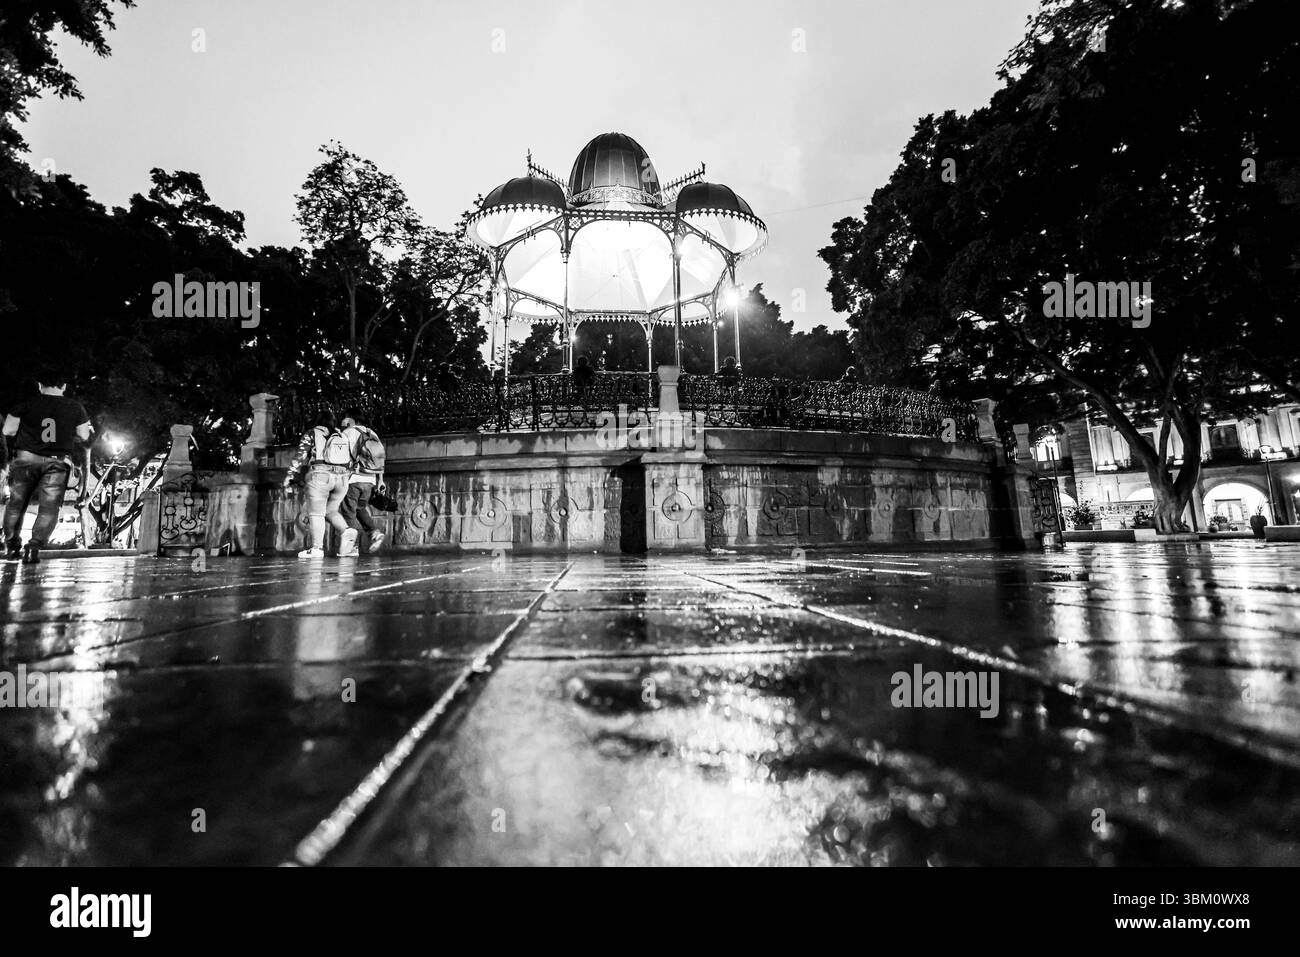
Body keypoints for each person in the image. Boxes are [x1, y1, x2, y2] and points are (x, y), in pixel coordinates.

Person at [1, 371, 93, 564]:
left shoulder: (27, 403)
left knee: (16, 503)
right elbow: (85, 435)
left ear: (40, 384)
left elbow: (8, 430)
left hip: (26, 458)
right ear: (64, 386)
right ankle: (34, 546)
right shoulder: (76, 408)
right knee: (49, 508)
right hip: (57, 461)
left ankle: (12, 545)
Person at [283, 409, 357, 559]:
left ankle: (317, 548)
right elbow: (352, 459)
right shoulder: (341, 435)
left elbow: (300, 455)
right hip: (342, 479)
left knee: (316, 513)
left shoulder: (312, 433)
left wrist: (290, 475)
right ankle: (346, 530)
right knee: (330, 510)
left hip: (320, 476)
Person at [339, 409, 386, 555]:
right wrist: (380, 480)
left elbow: (341, 457)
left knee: (348, 512)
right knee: (360, 508)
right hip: (370, 480)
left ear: (351, 420)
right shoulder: (372, 433)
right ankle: (375, 533)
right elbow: (380, 458)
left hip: (354, 478)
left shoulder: (348, 433)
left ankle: (352, 547)